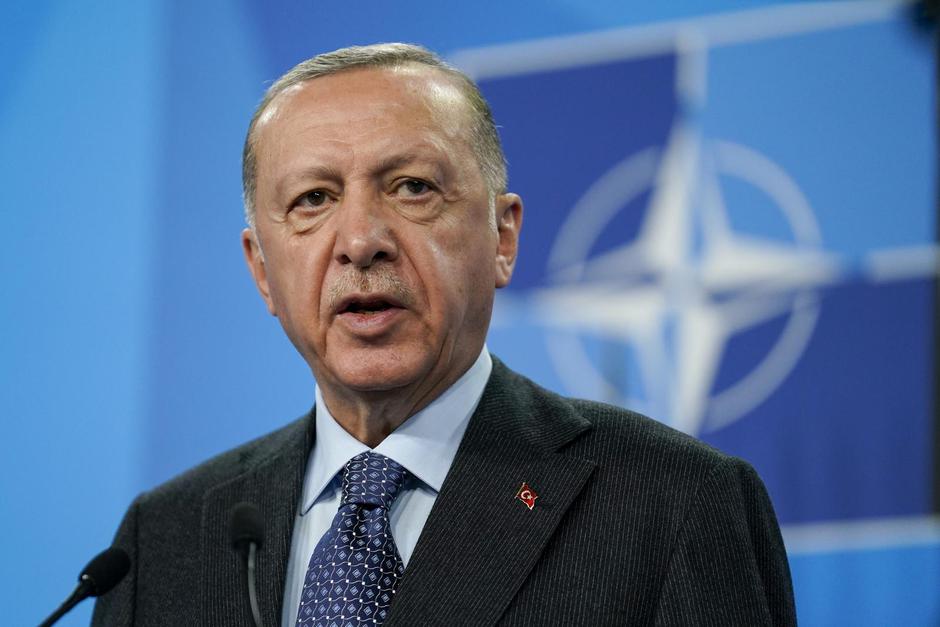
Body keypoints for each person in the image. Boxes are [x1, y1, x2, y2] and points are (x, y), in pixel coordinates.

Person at [93, 43, 795, 626]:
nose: (361, 240)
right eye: (314, 199)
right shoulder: (164, 542)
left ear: (503, 236)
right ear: (261, 270)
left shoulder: (672, 504)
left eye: (412, 188)